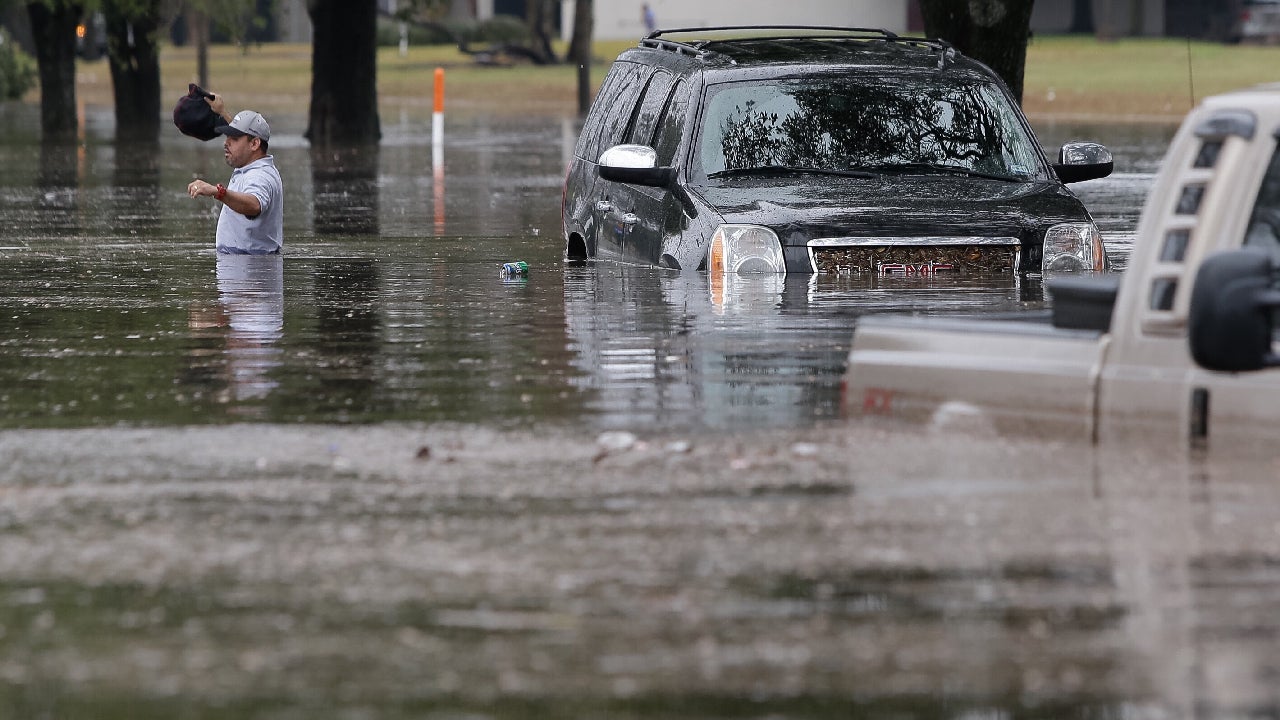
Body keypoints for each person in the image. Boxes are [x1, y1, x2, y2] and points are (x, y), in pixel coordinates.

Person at [187, 95, 284, 255]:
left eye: (234, 139)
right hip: (245, 264)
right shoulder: (252, 165)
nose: (226, 143)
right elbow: (246, 136)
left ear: (255, 144)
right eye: (228, 137)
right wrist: (222, 112)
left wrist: (218, 192)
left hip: (251, 269)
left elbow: (254, 205)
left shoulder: (260, 176)